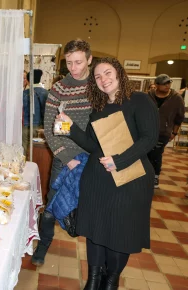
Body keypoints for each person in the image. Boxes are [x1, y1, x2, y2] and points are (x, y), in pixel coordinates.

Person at [59, 57, 158, 289]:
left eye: (107, 72)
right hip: (98, 178)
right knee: (96, 229)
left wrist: (119, 161)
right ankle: (93, 280)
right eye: (97, 76)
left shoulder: (140, 100)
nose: (103, 79)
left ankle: (110, 281)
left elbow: (149, 138)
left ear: (119, 73)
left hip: (130, 178)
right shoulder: (99, 108)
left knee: (120, 231)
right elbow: (94, 146)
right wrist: (69, 126)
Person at [31, 39, 92, 266]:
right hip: (64, 157)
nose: (73, 68)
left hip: (93, 158)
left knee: (90, 206)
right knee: (52, 204)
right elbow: (51, 128)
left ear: (89, 60)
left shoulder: (98, 87)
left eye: (78, 62)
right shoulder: (59, 88)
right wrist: (67, 158)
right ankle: (43, 246)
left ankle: (95, 262)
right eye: (69, 63)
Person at [147, 74, 185, 188]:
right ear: (157, 85)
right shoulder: (148, 96)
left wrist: (174, 132)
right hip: (147, 131)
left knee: (156, 154)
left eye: (169, 83)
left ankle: (155, 177)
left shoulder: (176, 98)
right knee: (146, 154)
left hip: (164, 132)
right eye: (164, 84)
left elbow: (179, 117)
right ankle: (145, 176)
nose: (167, 86)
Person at [22, 69, 49, 155]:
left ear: (29, 80)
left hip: (25, 127)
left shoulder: (23, 93)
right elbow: (47, 112)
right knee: (37, 151)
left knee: (25, 151)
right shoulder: (46, 93)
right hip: (39, 127)